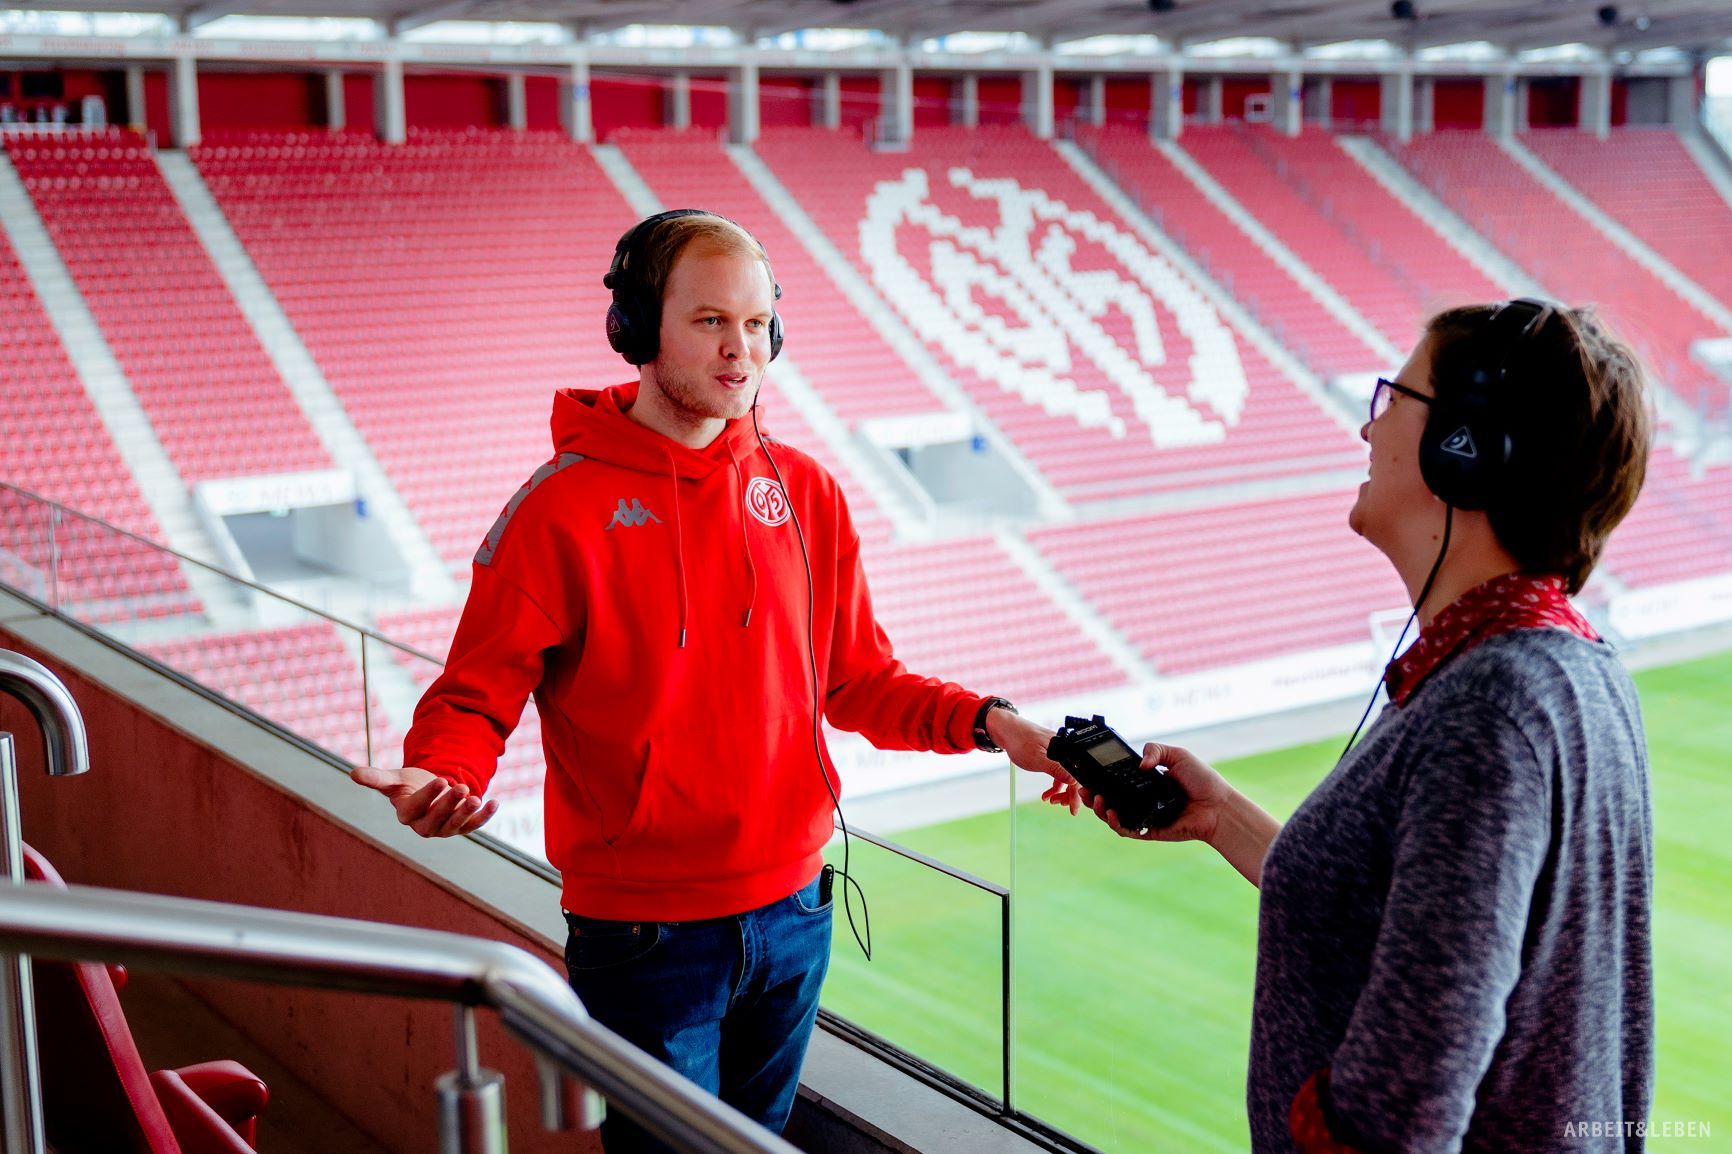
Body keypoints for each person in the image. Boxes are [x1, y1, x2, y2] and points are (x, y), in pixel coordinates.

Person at [352, 209, 1074, 1151]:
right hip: (647, 938)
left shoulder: (806, 489)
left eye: (758, 323)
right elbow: (472, 698)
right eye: (709, 322)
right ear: (638, 327)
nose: (743, 351)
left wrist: (994, 723)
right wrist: (442, 772)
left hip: (798, 912)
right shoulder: (557, 510)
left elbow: (858, 681)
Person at [1075, 301, 1654, 1153]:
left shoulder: (1488, 713)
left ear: (1463, 449)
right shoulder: (1554, 671)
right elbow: (1406, 927)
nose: (1366, 428)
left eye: (1393, 400)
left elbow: (1402, 1113)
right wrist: (1223, 818)